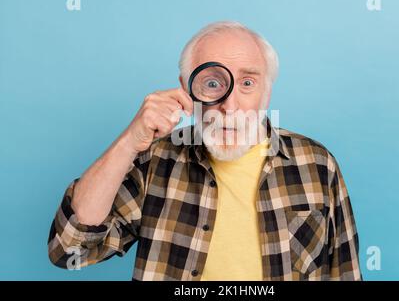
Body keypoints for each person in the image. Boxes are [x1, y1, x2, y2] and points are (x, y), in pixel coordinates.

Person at [48, 20, 361, 281]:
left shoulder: (317, 165)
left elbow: (344, 273)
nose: (230, 105)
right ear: (186, 88)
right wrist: (130, 140)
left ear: (267, 91)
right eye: (213, 83)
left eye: (248, 83)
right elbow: (69, 249)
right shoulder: (155, 161)